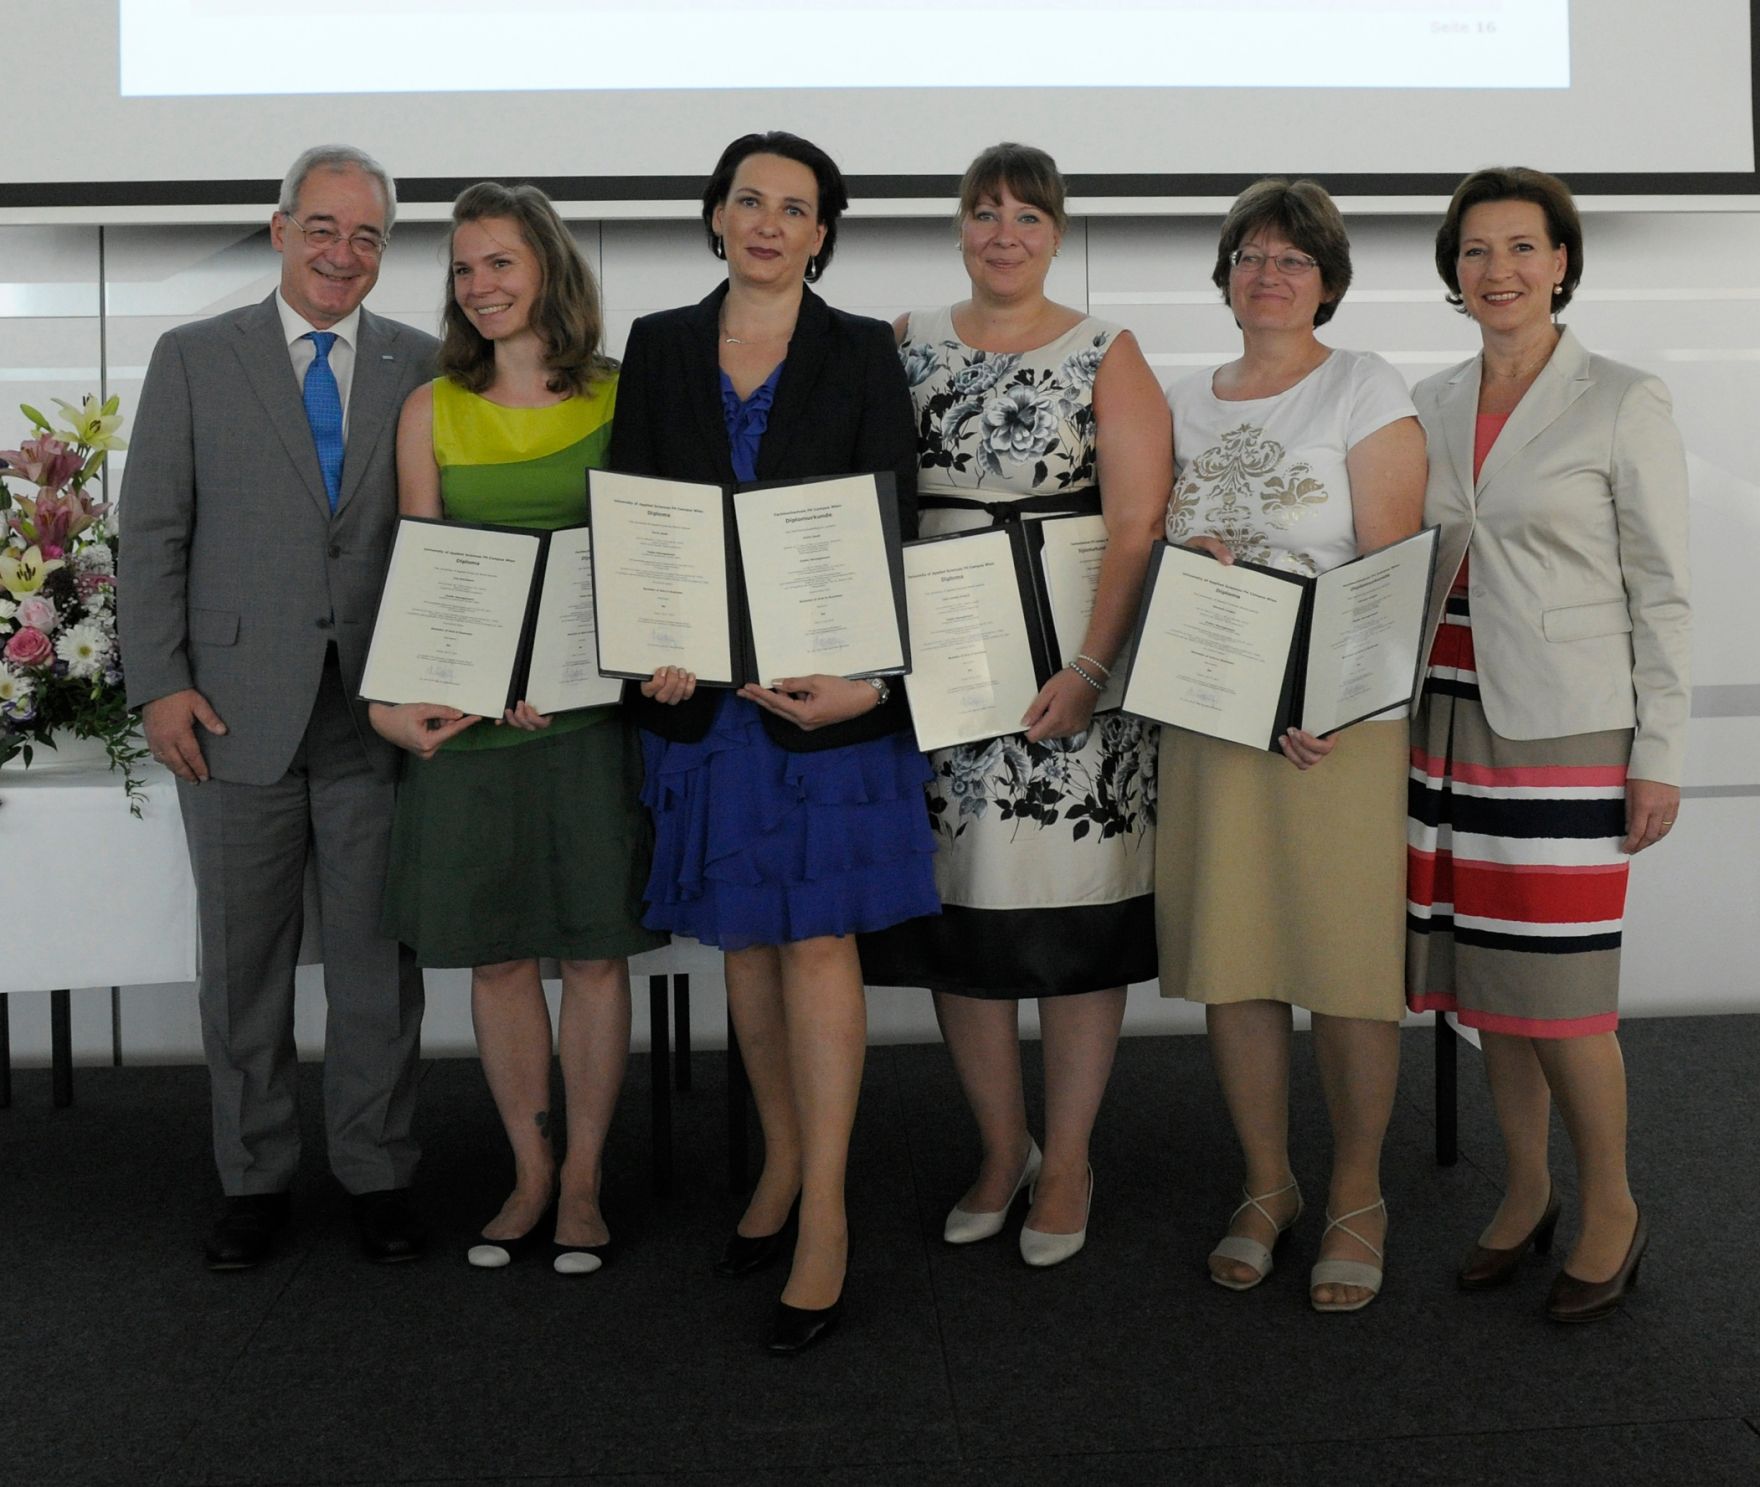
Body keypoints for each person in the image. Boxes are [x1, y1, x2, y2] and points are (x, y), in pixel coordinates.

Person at [608, 131, 936, 1353]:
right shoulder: (657, 343)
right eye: (747, 199)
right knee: (742, 943)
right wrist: (649, 640)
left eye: (792, 208)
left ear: (820, 233)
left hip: (823, 703)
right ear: (713, 215)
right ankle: (782, 1159)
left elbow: (889, 523)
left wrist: (866, 683)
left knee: (813, 942)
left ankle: (828, 1213)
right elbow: (637, 499)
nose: (766, 221)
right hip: (705, 706)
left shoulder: (859, 350)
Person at [119, 145, 438, 1268]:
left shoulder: (423, 363)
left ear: (382, 252)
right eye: (323, 228)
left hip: (375, 716)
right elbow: (150, 533)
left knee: (373, 969)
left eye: (366, 237)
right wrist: (157, 680)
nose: (342, 254)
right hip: (230, 714)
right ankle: (253, 1178)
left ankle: (377, 1171)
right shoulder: (196, 356)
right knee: (242, 968)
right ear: (280, 228)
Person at [859, 143, 1171, 1267]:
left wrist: (1089, 670)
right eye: (983, 211)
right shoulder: (903, 341)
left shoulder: (1105, 349)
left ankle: (1071, 1155)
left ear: (1055, 229)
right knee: (968, 920)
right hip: (945, 669)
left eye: (1025, 214)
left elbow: (1135, 524)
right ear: (957, 226)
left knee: (1077, 919)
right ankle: (1001, 1148)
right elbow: (862, 504)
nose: (1003, 231)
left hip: (1071, 670)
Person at [366, 183, 666, 1274]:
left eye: (499, 262)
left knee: (591, 954)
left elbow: (650, 560)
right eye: (461, 269)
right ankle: (527, 1172)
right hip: (473, 730)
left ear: (545, 267)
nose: (480, 286)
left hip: (588, 724)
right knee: (496, 960)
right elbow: (426, 578)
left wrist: (593, 667)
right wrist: (469, 684)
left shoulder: (623, 397)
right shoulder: (428, 408)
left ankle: (584, 1178)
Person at [1407, 167, 1689, 1322]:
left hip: (1567, 727)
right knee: (1491, 986)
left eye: (1521, 247)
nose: (1498, 271)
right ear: (1451, 270)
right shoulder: (1424, 399)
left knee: (1564, 994)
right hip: (1442, 720)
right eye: (1474, 251)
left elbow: (1662, 589)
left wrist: (1657, 748)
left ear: (1561, 260)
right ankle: (1523, 1193)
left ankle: (1610, 1203)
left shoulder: (1621, 398)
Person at [1158, 179, 1426, 1311]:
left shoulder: (1363, 387)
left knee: (1347, 966)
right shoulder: (1178, 399)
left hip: (1332, 728)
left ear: (1327, 279)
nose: (1268, 275)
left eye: (1293, 260)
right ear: (1223, 275)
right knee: (1237, 956)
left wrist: (1327, 697)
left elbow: (1386, 572)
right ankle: (1265, 1184)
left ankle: (1355, 1192)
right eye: (1249, 256)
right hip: (1215, 715)